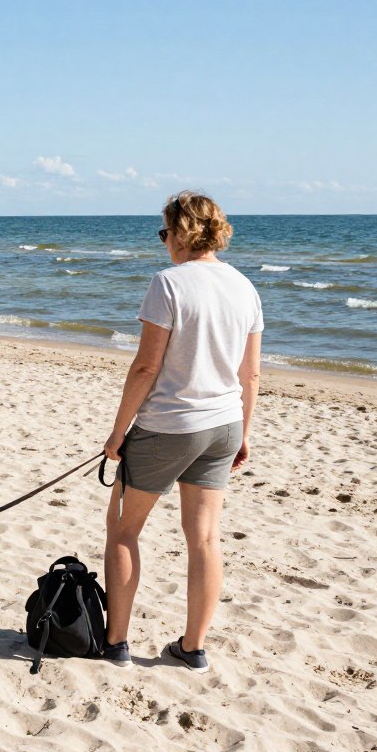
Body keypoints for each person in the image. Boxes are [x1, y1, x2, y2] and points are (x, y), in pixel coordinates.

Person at [98, 192, 262, 673]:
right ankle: (192, 649)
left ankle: (116, 643)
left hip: (169, 424)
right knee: (205, 539)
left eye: (164, 231)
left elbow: (147, 366)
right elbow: (250, 375)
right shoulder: (243, 287)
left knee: (124, 530)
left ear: (182, 231)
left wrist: (117, 432)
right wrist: (245, 432)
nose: (163, 240)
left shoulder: (168, 283)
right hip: (225, 424)